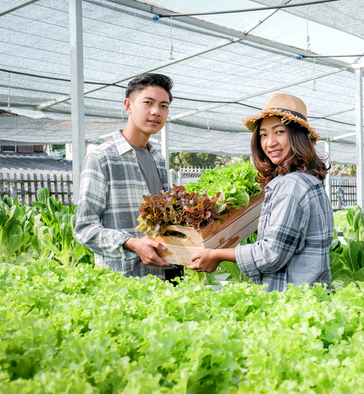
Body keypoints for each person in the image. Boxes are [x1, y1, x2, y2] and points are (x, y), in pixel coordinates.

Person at [187, 93, 334, 292]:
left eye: (279, 132)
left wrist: (217, 254)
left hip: (289, 303)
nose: (270, 142)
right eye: (263, 134)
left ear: (298, 136)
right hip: (306, 301)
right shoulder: (308, 180)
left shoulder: (292, 186)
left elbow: (270, 254)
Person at [74, 73, 183, 282]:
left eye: (163, 106)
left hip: (163, 280)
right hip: (122, 284)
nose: (156, 112)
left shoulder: (158, 160)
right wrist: (131, 243)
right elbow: (84, 228)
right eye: (148, 103)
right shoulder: (102, 157)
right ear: (128, 105)